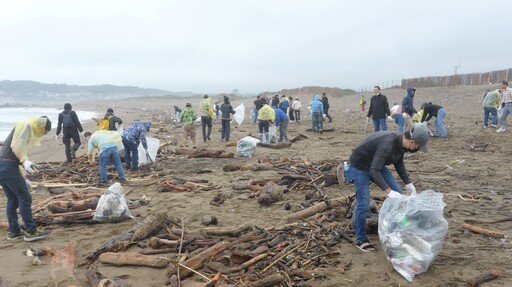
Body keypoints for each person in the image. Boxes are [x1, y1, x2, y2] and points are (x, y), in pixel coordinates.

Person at [345, 123, 430, 251]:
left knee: (398, 194)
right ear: (412, 142)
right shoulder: (388, 144)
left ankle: (397, 227)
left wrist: (408, 182)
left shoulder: (401, 144)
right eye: (418, 146)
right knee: (363, 203)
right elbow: (374, 171)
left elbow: (398, 162)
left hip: (377, 165)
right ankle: (361, 239)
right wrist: (388, 191)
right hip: (360, 166)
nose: (417, 149)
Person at [0, 116, 52, 242]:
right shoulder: (26, 125)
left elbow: (15, 153)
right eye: (45, 131)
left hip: (3, 165)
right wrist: (25, 160)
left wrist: (24, 178)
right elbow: (17, 145)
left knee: (13, 199)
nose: (43, 134)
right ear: (41, 126)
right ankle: (31, 232)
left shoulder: (24, 126)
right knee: (25, 197)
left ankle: (14, 232)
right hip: (8, 165)